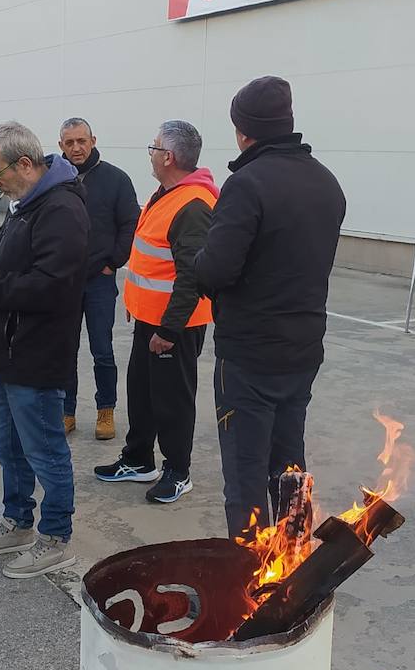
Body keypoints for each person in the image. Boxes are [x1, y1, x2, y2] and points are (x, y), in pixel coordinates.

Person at [194, 76, 346, 538]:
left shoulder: (247, 183)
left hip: (250, 353)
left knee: (246, 474)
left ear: (243, 132)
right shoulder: (325, 181)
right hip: (302, 348)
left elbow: (214, 270)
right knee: (289, 462)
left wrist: (199, 258)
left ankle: (247, 576)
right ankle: (294, 557)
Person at [0, 121, 88, 579]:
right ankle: (17, 521)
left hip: (35, 353)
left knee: (44, 448)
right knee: (8, 445)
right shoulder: (26, 205)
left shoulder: (61, 209)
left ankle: (55, 536)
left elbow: (54, 286)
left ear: (26, 164)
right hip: (7, 349)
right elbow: (24, 260)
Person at [95, 121, 218, 504]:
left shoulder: (193, 204)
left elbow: (191, 277)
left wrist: (168, 329)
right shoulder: (168, 193)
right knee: (142, 391)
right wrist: (139, 306)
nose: (149, 152)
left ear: (168, 156)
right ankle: (138, 459)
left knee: (172, 399)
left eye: (153, 147)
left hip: (174, 326)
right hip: (150, 319)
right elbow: (153, 261)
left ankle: (177, 471)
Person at [59, 118, 140, 440]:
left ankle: (105, 411)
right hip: (62, 282)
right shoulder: (55, 180)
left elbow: (131, 223)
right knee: (64, 349)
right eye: (69, 143)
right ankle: (66, 411)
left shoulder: (116, 179)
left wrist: (113, 263)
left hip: (98, 282)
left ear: (93, 140)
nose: (76, 148)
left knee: (102, 350)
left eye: (81, 141)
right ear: (61, 145)